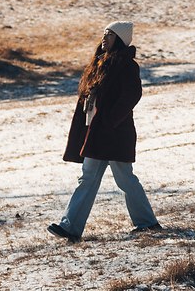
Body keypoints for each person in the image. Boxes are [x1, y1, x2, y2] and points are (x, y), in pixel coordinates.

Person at [48, 21, 162, 242]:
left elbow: (132, 95)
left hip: (115, 133)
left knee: (124, 180)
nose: (104, 37)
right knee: (89, 178)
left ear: (119, 39)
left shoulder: (127, 65)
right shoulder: (100, 63)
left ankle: (147, 223)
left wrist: (110, 120)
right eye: (104, 33)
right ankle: (70, 228)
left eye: (109, 34)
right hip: (97, 133)